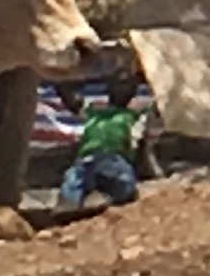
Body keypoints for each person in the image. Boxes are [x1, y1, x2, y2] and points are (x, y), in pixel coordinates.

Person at [57, 79, 149, 215]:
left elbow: (74, 104)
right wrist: (61, 84)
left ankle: (105, 199)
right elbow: (74, 103)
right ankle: (71, 206)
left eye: (124, 89)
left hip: (112, 160)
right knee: (74, 178)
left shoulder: (130, 116)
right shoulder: (95, 112)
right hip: (92, 160)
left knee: (122, 182)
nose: (119, 92)